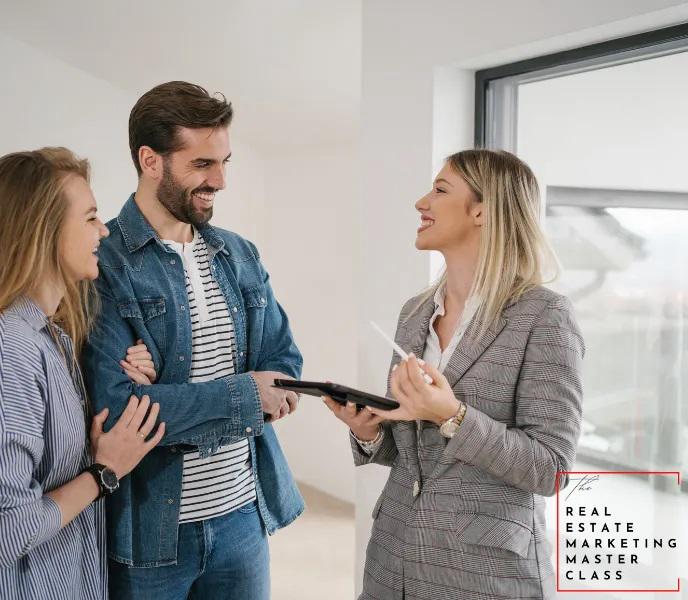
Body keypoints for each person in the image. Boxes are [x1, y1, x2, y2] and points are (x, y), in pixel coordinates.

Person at [0, 147, 166, 599]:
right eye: (90, 218)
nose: (103, 230)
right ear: (43, 231)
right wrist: (104, 472)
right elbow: (7, 532)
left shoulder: (48, 338)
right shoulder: (6, 353)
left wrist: (116, 394)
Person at [324, 149, 585, 600]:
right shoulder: (414, 314)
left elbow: (551, 470)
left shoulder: (545, 316)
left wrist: (453, 416)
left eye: (440, 190)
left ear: (482, 210)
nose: (421, 203)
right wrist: (369, 432)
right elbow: (412, 453)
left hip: (484, 577)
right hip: (392, 564)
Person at [81, 81, 304, 599]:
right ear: (150, 160)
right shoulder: (104, 262)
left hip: (243, 516)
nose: (219, 181)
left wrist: (168, 398)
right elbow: (118, 412)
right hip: (152, 533)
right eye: (202, 164)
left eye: (224, 162)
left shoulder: (240, 254)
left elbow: (284, 362)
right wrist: (247, 395)